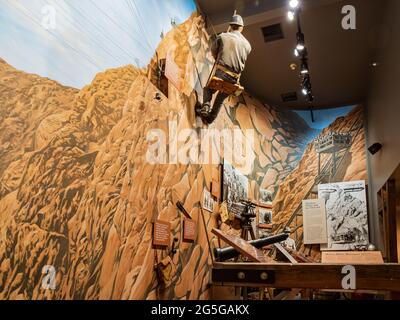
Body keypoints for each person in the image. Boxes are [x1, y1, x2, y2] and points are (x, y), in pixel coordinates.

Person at [196, 14, 252, 124]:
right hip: (234, 79)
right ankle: (210, 118)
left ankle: (206, 107)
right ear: (242, 28)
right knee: (221, 98)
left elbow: (213, 50)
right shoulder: (248, 45)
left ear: (230, 25)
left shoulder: (223, 36)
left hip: (221, 72)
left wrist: (219, 56)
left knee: (208, 89)